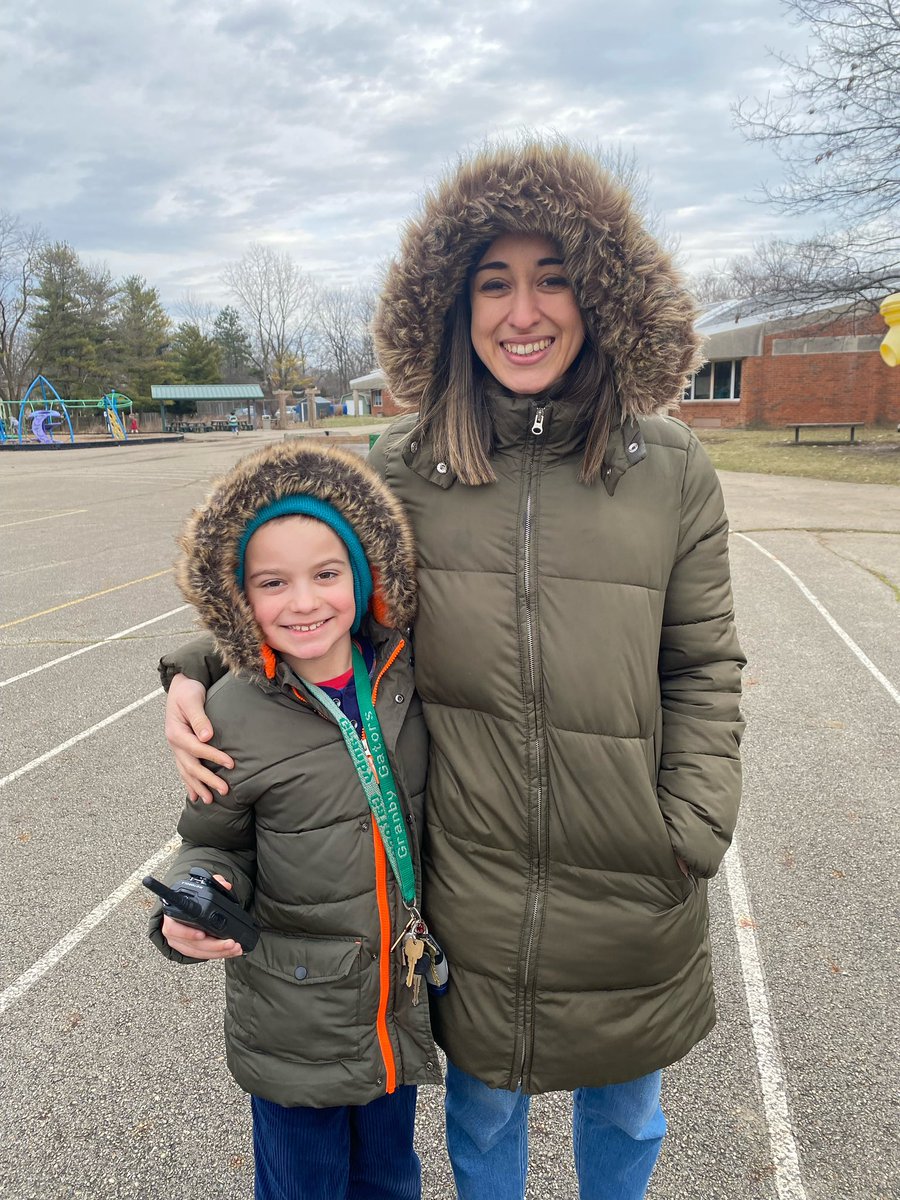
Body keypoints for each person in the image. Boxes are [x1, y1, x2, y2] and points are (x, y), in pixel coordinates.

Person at [159, 140, 745, 1200]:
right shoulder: (407, 464)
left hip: (633, 872)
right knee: (484, 1123)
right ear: (452, 306)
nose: (523, 312)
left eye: (553, 277)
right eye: (494, 283)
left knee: (630, 1116)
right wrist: (195, 667)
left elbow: (702, 663)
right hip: (470, 874)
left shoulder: (673, 468)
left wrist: (691, 825)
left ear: (603, 294)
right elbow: (298, 578)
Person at [149, 439, 439, 1200]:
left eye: (326, 574)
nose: (304, 602)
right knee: (303, 1185)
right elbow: (210, 844)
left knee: (389, 1178)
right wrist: (197, 891)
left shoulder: (406, 674)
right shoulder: (229, 713)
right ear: (237, 599)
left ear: (365, 577)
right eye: (272, 583)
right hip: (292, 1017)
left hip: (390, 1005)